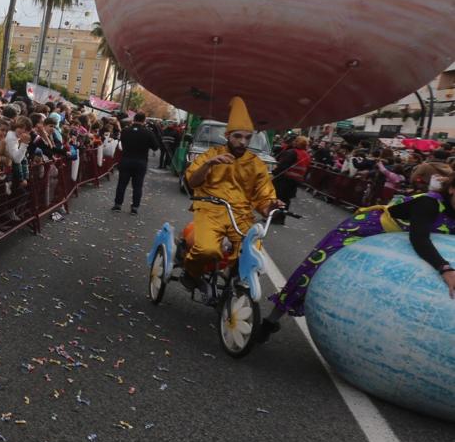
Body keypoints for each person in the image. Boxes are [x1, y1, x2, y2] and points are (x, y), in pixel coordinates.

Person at [261, 174, 455, 343]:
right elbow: (419, 238)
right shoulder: (429, 203)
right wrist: (445, 269)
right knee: (313, 270)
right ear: (452, 189)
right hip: (364, 231)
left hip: (394, 244)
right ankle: (270, 321)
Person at [180, 97, 282, 290]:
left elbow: (264, 197)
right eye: (238, 136)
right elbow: (192, 181)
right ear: (228, 135)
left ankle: (231, 287)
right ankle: (191, 272)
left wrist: (272, 206)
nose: (242, 142)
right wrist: (210, 164)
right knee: (207, 250)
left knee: (252, 254)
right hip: (210, 211)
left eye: (247, 137)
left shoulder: (256, 164)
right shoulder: (211, 154)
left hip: (241, 216)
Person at [112, 112, 160, 214]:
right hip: (140, 161)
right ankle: (135, 207)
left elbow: (122, 142)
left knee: (122, 184)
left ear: (134, 119)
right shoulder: (148, 132)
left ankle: (118, 204)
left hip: (126, 159)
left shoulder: (125, 131)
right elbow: (155, 147)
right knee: (137, 186)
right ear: (144, 120)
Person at [271, 135, 313, 214]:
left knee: (278, 197)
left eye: (296, 140)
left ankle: (273, 215)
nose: (294, 142)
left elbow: (283, 166)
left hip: (284, 179)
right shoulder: (307, 156)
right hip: (295, 181)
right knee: (286, 199)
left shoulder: (292, 152)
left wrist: (274, 172)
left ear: (298, 142)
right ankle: (281, 217)